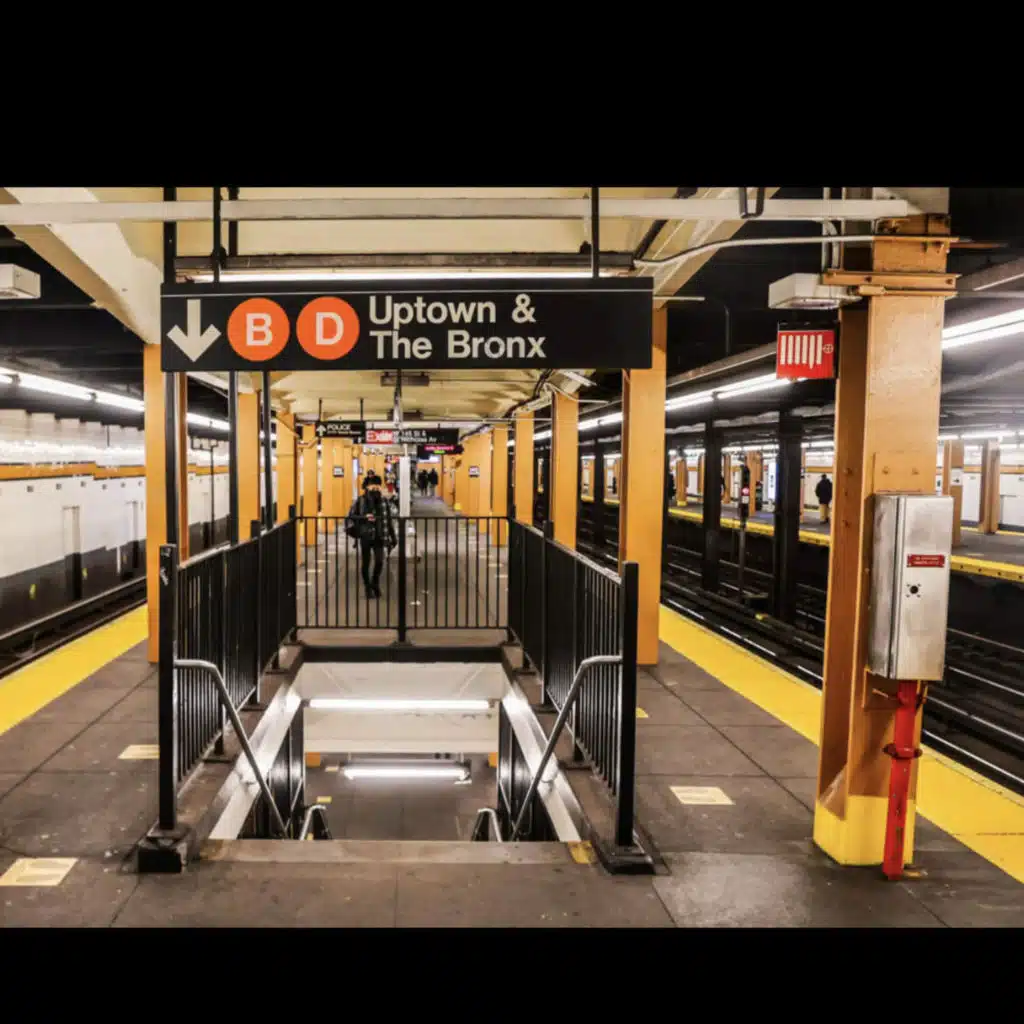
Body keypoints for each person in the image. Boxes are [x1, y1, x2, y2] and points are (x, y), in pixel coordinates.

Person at [347, 472, 397, 599]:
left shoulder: (384, 501)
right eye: (372, 486)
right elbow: (351, 516)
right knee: (366, 562)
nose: (374, 488)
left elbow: (389, 520)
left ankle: (375, 583)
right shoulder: (360, 501)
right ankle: (367, 587)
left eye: (377, 486)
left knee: (379, 561)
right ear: (367, 487)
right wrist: (365, 517)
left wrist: (393, 536)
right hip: (365, 535)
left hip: (379, 535)